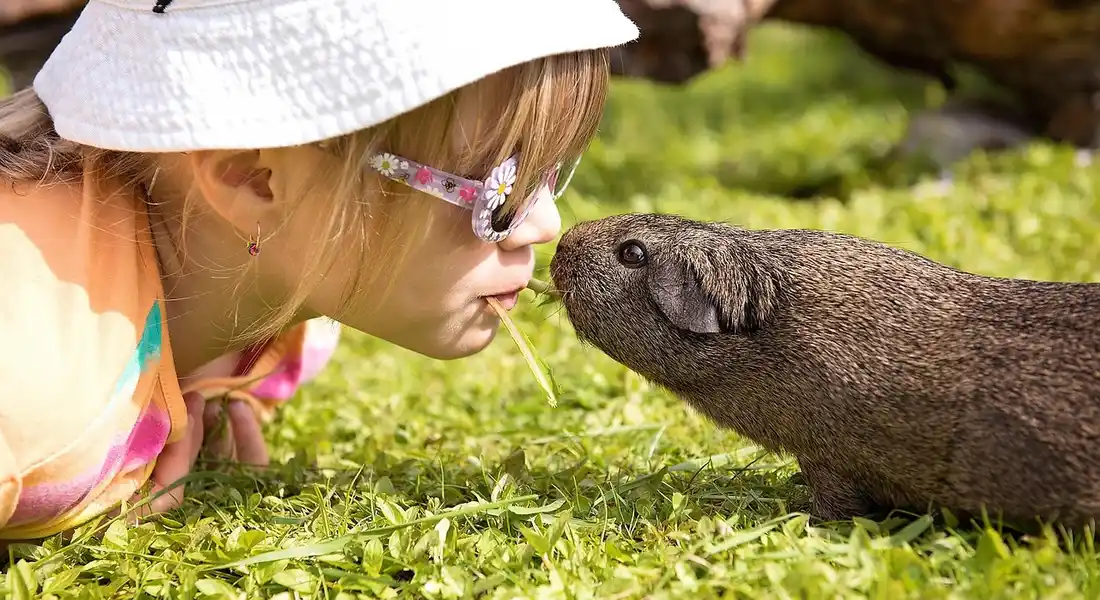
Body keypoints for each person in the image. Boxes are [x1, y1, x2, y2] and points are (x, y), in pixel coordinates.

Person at [0, 0, 638, 541]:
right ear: (252, 175)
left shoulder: (286, 317)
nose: (545, 224)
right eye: (502, 188)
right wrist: (86, 461)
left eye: (551, 171)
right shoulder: (35, 387)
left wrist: (191, 382)